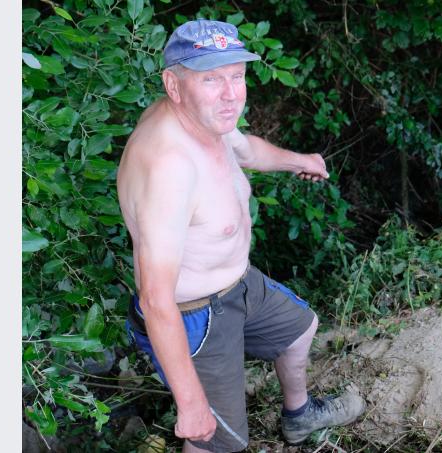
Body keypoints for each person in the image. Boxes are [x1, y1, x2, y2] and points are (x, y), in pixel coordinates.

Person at [116, 19, 365, 452]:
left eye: (236, 76)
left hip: (238, 283)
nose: (231, 93)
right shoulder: (169, 167)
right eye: (212, 78)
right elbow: (156, 298)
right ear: (173, 85)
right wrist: (191, 402)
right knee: (215, 443)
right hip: (193, 315)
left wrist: (298, 160)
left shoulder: (207, 116)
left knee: (299, 330)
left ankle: (299, 417)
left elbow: (246, 149)